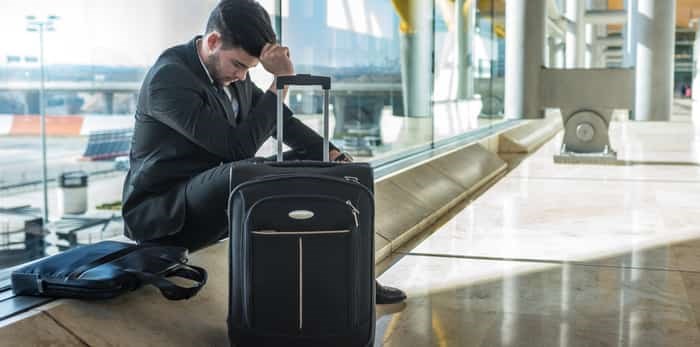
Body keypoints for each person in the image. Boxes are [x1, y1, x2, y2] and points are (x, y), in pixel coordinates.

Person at [121, 0, 405, 305]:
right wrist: (281, 83)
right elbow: (235, 148)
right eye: (239, 65)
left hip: (216, 194)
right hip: (167, 211)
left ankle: (356, 280)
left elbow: (281, 122)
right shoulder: (169, 78)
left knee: (320, 169)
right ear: (214, 41)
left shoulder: (233, 78)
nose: (243, 76)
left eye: (249, 69)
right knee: (250, 171)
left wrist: (332, 155)